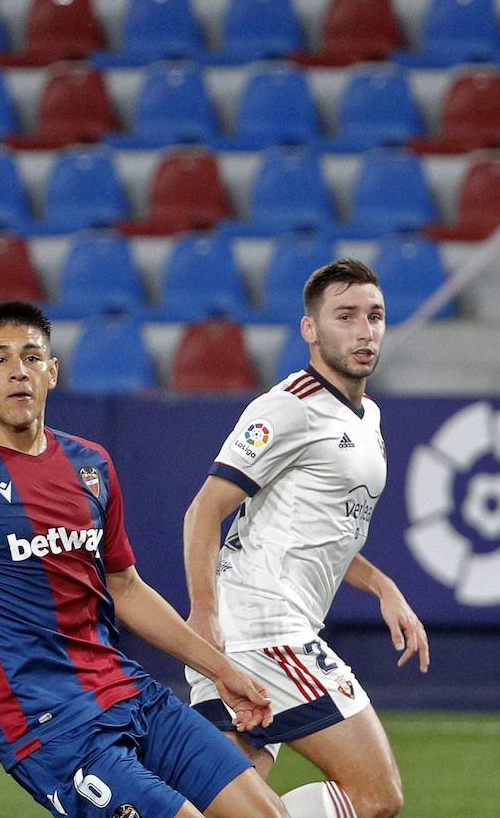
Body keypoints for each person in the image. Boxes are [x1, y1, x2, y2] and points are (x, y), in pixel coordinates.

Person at [0, 301, 288, 818]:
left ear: (53, 371)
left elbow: (125, 588)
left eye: (32, 357)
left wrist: (222, 671)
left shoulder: (92, 465)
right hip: (47, 726)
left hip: (128, 692)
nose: (19, 370)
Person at [182, 259, 429, 818]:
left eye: (375, 316)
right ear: (310, 330)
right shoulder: (290, 405)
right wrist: (203, 618)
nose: (364, 331)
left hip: (255, 630)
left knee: (227, 807)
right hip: (262, 630)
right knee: (376, 797)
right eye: (345, 316)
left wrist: (382, 585)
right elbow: (204, 511)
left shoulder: (368, 418)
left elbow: (321, 535)